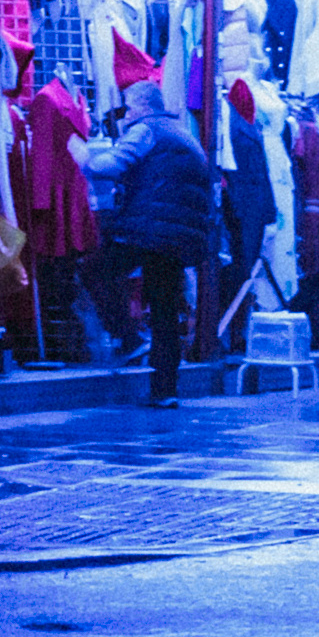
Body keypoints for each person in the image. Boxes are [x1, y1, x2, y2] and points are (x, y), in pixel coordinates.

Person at [78, 86, 222, 407]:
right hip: (178, 238)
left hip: (146, 229)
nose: (126, 114)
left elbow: (111, 165)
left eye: (129, 107)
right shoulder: (184, 134)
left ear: (144, 106)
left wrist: (84, 159)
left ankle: (128, 338)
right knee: (165, 310)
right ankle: (165, 390)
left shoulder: (146, 130)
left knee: (95, 271)